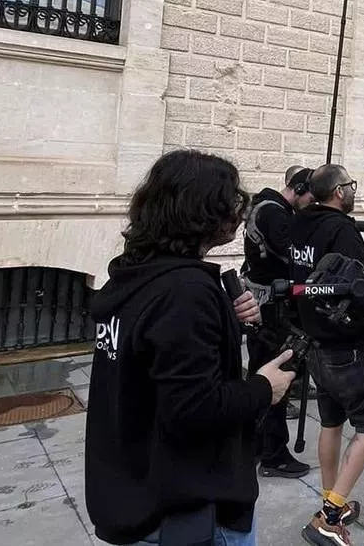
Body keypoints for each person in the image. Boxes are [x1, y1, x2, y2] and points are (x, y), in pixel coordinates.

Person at [85, 149, 297, 546]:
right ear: (201, 210)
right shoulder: (185, 290)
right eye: (229, 200)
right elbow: (194, 407)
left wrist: (227, 323)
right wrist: (264, 388)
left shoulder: (135, 277)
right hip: (189, 511)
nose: (238, 212)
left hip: (135, 494)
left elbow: (164, 363)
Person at [287, 164, 364, 546]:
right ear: (338, 192)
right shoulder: (343, 231)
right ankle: (329, 517)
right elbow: (353, 289)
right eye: (350, 185)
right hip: (350, 348)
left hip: (316, 345)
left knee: (331, 423)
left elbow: (309, 283)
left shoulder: (299, 224)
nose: (353, 190)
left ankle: (330, 498)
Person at [241, 164, 316, 479]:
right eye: (311, 198)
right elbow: (295, 257)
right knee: (275, 381)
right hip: (271, 310)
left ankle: (254, 447)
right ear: (298, 189)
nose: (311, 205)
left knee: (262, 378)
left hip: (265, 305)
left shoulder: (268, 206)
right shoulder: (274, 214)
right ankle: (273, 456)